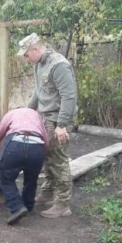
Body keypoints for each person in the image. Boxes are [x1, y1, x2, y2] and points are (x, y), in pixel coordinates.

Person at [18, 33, 78, 218]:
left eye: (26, 54)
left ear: (36, 48)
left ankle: (62, 203)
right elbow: (39, 90)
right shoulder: (39, 64)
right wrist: (28, 111)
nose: (26, 59)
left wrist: (61, 125)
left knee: (58, 159)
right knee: (46, 156)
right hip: (46, 117)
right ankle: (49, 191)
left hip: (59, 118)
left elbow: (69, 95)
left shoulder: (58, 65)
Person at [0, 107, 49, 225]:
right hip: (37, 146)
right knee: (31, 178)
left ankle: (17, 207)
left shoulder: (11, 113)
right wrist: (43, 154)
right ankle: (28, 205)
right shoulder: (36, 115)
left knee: (6, 176)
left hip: (16, 144)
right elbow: (45, 138)